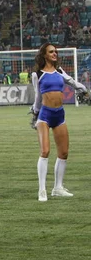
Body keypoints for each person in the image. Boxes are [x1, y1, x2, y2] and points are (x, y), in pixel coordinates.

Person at [30, 43, 86, 201]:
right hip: (44, 115)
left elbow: (74, 83)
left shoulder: (60, 71)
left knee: (63, 153)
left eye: (56, 51)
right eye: (51, 52)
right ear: (44, 55)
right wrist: (35, 114)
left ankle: (58, 187)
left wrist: (85, 90)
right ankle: (42, 190)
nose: (55, 54)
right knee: (45, 151)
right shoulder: (38, 74)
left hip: (59, 115)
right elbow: (37, 98)